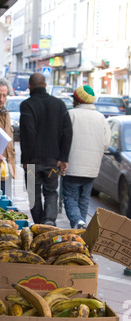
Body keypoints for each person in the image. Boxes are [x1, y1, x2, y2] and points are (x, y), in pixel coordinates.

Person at [19, 73, 73, 226]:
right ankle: (49, 222)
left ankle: (39, 226)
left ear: (29, 86)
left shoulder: (27, 105)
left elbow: (27, 133)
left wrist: (25, 160)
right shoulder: (59, 104)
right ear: (45, 85)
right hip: (53, 161)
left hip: (32, 162)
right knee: (51, 192)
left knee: (33, 195)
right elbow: (67, 132)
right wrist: (63, 158)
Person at [62, 85, 111, 229]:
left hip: (72, 166)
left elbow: (62, 139)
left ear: (77, 100)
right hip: (92, 168)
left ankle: (78, 222)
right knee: (84, 200)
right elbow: (106, 143)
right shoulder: (101, 118)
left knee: (70, 197)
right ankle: (82, 229)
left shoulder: (71, 115)